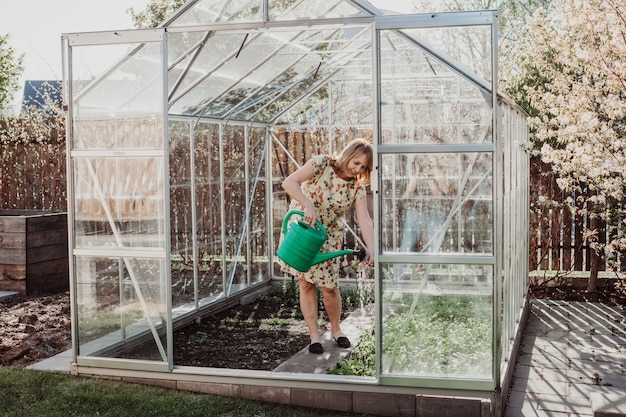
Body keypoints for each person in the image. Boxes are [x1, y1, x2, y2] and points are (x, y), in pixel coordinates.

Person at [279, 138, 375, 355]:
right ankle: (314, 336)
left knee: (330, 287)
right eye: (356, 162)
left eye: (363, 167)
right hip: (303, 230)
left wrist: (371, 247)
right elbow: (289, 183)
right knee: (305, 284)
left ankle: (337, 330)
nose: (357, 169)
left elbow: (364, 218)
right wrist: (307, 204)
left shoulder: (356, 187)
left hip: (328, 237)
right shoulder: (321, 164)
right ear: (348, 154)